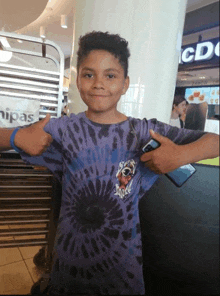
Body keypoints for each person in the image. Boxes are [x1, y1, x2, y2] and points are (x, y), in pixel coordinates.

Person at [0, 31, 219, 295]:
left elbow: (214, 141)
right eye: (88, 74)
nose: (98, 84)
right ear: (78, 80)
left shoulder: (143, 132)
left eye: (110, 75)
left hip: (122, 266)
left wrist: (181, 155)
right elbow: (13, 138)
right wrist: (17, 136)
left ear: (125, 84)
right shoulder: (63, 129)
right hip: (69, 262)